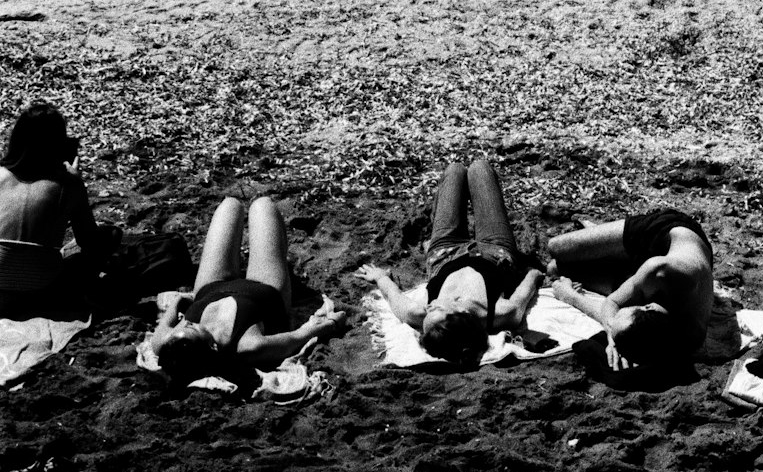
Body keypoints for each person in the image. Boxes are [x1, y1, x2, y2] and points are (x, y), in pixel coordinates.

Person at [357, 158, 543, 367]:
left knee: (454, 170)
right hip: (495, 250)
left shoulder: (416, 314)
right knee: (479, 168)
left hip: (444, 251)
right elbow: (527, 288)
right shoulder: (499, 313)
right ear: (461, 313)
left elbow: (394, 296)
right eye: (435, 311)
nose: (429, 307)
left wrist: (380, 277)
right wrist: (533, 273)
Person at [151, 195, 345, 386]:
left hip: (210, 287)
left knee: (230, 204)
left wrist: (178, 302)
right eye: (192, 328)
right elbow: (296, 338)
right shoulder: (249, 345)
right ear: (213, 346)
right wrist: (330, 324)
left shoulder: (168, 345)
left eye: (184, 325)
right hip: (263, 288)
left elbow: (167, 323)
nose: (186, 324)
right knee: (263, 205)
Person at [548, 207, 715, 370]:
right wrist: (609, 333)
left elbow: (617, 307)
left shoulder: (688, 337)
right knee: (556, 248)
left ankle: (609, 250)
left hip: (645, 274)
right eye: (627, 308)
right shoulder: (658, 271)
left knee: (555, 269)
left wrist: (617, 338)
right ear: (647, 305)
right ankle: (603, 236)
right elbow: (612, 302)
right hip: (663, 233)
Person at [0, 101, 112, 315]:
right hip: (40, 288)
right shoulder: (66, 184)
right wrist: (76, 182)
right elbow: (88, 241)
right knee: (108, 236)